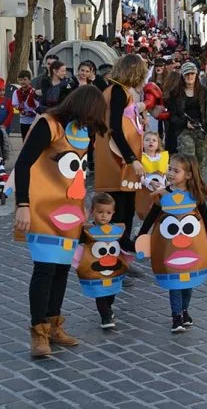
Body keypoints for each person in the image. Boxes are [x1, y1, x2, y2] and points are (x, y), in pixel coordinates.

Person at [12, 85, 107, 356]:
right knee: (45, 269)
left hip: (70, 212)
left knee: (62, 269)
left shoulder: (80, 131)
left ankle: (54, 324)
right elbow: (23, 163)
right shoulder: (49, 125)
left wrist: (84, 205)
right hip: (42, 209)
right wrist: (22, 204)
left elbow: (77, 173)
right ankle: (38, 331)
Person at [133, 153, 207, 332]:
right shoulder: (163, 195)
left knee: (188, 281)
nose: (170, 173)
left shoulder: (194, 195)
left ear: (187, 175)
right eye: (169, 169)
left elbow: (205, 215)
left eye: (175, 171)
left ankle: (185, 310)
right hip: (170, 247)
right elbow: (151, 217)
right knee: (174, 281)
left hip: (191, 245)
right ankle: (176, 316)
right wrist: (142, 235)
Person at [94, 54, 148, 250]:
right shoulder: (117, 91)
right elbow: (114, 127)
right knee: (120, 209)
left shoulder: (119, 90)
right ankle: (117, 254)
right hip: (117, 160)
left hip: (119, 158)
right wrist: (131, 158)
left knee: (126, 207)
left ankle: (122, 251)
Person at [73, 193, 129, 329]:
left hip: (113, 268)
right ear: (92, 212)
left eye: (108, 212)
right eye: (100, 212)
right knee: (100, 292)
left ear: (113, 213)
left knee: (111, 291)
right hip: (94, 269)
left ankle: (108, 308)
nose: (104, 216)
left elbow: (126, 243)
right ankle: (105, 317)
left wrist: (139, 246)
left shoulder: (116, 230)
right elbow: (77, 241)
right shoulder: (87, 230)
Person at [166, 62, 207, 175]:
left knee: (200, 163)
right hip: (183, 130)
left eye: (192, 73)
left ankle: (198, 189)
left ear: (196, 74)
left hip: (202, 130)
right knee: (187, 161)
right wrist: (184, 123)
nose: (189, 76)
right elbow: (172, 115)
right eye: (187, 74)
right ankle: (188, 189)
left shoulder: (205, 91)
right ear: (182, 76)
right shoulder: (175, 93)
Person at [135, 131, 168, 219]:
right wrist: (150, 182)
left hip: (162, 190)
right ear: (142, 143)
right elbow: (137, 176)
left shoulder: (163, 157)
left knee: (163, 214)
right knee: (148, 213)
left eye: (154, 140)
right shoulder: (139, 158)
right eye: (147, 140)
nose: (151, 142)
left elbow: (168, 172)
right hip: (146, 192)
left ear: (158, 144)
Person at [12, 70, 37, 140]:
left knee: (34, 141)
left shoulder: (34, 92)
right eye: (20, 80)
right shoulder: (16, 92)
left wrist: (32, 112)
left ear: (29, 80)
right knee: (25, 140)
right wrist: (21, 109)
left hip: (34, 121)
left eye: (25, 79)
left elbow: (38, 106)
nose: (22, 81)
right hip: (23, 121)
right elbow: (15, 105)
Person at [0, 79, 13, 162]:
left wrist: (5, 125)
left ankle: (3, 159)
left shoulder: (8, 101)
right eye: (0, 90)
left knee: (3, 144)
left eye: (3, 90)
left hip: (4, 127)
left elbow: (10, 114)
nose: (2, 92)